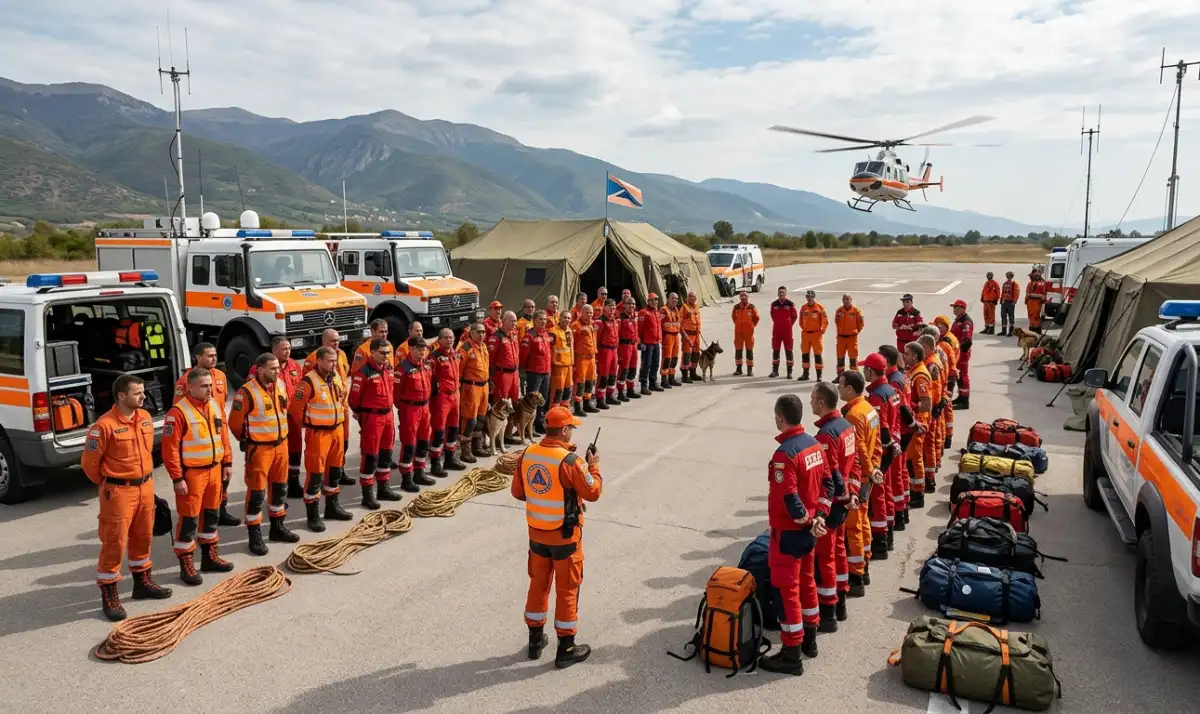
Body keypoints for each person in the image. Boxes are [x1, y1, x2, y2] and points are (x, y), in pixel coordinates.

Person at [511, 405, 602, 669]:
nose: (572, 432)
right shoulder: (572, 462)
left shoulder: (528, 453)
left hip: (537, 537)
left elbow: (518, 492)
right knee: (567, 590)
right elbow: (593, 492)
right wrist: (593, 467)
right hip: (565, 539)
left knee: (538, 586)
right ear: (563, 430)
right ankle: (567, 648)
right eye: (571, 428)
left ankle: (535, 642)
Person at [83, 374, 172, 620]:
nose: (144, 396)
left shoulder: (143, 418)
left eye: (143, 392)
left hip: (145, 487)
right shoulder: (104, 426)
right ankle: (109, 594)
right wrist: (111, 484)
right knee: (115, 542)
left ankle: (142, 583)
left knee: (143, 537)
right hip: (119, 491)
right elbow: (90, 465)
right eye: (138, 393)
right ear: (122, 396)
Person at [758, 394, 829, 675]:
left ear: (780, 417)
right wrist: (819, 518)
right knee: (808, 582)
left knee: (786, 591)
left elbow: (788, 498)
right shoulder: (814, 444)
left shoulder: (784, 455)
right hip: (810, 532)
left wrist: (808, 521)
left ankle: (791, 653)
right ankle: (810, 641)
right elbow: (828, 483)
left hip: (789, 532)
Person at [163, 367, 235, 585]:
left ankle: (209, 558)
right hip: (192, 475)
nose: (209, 390)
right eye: (204, 386)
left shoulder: (213, 405)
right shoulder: (178, 413)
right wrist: (177, 478)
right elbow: (170, 450)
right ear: (190, 387)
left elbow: (222, 436)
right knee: (189, 521)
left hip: (214, 470)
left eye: (211, 385)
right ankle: (186, 565)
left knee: (212, 515)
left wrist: (227, 462)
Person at [228, 353, 298, 554]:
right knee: (257, 494)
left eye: (278, 368)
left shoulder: (281, 385)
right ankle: (255, 535)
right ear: (260, 370)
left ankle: (277, 528)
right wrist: (248, 440)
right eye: (273, 368)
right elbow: (235, 424)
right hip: (259, 450)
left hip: (281, 446)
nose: (278, 371)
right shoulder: (246, 393)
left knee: (279, 490)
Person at [289, 346, 353, 531]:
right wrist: (307, 424)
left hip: (337, 431)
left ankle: (332, 507)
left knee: (335, 472)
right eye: (330, 361)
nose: (334, 364)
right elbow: (295, 409)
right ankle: (313, 515)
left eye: (335, 361)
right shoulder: (308, 381)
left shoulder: (336, 378)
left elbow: (342, 399)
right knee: (315, 475)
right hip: (318, 434)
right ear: (319, 361)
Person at [174, 342, 238, 526]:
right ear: (198, 357)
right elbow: (180, 412)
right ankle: (204, 513)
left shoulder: (220, 376)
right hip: (198, 435)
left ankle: (221, 510)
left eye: (215, 355)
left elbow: (221, 403)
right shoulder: (186, 380)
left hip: (219, 432)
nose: (214, 359)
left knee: (224, 476)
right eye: (209, 356)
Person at [810, 383, 851, 625]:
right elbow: (852, 466)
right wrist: (851, 494)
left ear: (822, 403)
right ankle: (841, 601)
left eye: (813, 399)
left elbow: (830, 474)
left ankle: (828, 613)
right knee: (839, 551)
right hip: (843, 501)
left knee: (825, 557)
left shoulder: (826, 435)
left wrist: (822, 510)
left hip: (833, 502)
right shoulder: (846, 426)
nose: (811, 403)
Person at [838, 370, 886, 569]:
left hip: (862, 475)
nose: (838, 389)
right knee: (863, 518)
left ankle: (857, 572)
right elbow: (876, 443)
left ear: (850, 389)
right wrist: (875, 467)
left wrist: (868, 469)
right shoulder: (868, 408)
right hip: (870, 471)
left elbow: (860, 448)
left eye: (840, 385)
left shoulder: (854, 415)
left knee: (853, 525)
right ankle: (866, 556)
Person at [349, 339, 402, 507]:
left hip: (388, 417)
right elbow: (353, 399)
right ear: (372, 352)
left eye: (388, 353)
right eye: (382, 353)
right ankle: (367, 494)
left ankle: (383, 488)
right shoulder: (363, 372)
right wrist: (362, 415)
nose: (386, 356)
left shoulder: (389, 369)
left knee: (386, 454)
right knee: (370, 456)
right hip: (372, 418)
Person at [250, 337, 305, 499]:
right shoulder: (259, 369)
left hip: (292, 416)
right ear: (274, 350)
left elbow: (301, 388)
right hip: (273, 419)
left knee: (295, 450)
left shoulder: (294, 365)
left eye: (289, 348)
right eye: (283, 349)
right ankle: (276, 492)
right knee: (275, 457)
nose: (288, 351)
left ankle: (293, 484)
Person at [861, 353, 903, 550]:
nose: (863, 372)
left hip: (883, 450)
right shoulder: (891, 389)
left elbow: (882, 427)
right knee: (886, 491)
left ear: (871, 371)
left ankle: (880, 540)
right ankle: (889, 532)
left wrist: (888, 446)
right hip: (892, 445)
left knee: (878, 494)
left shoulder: (878, 395)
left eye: (865, 369)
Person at [304, 328, 354, 487]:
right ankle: (325, 478)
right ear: (324, 342)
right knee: (321, 454)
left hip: (341, 407)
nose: (337, 343)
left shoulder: (343, 355)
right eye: (333, 341)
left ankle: (340, 471)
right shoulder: (313, 359)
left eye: (338, 340)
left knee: (343, 443)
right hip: (322, 415)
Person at [879, 344, 916, 526]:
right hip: (901, 432)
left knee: (894, 477)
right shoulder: (901, 377)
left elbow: (900, 409)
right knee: (901, 473)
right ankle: (903, 510)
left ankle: (899, 514)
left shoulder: (893, 382)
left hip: (897, 433)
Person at [395, 337, 436, 491]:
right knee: (409, 443)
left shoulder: (425, 365)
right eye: (418, 349)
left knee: (424, 441)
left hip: (424, 407)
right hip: (410, 409)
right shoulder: (402, 368)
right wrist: (404, 408)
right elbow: (396, 394)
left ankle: (419, 471)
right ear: (410, 349)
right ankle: (407, 477)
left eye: (423, 349)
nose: (422, 352)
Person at [429, 328, 468, 473]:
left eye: (451, 337)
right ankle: (435, 463)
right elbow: (430, 378)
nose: (449, 340)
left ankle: (450, 459)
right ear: (439, 340)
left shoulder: (456, 355)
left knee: (453, 428)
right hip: (441, 397)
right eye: (445, 338)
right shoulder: (434, 357)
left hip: (455, 395)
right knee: (439, 431)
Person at [902, 341, 933, 509]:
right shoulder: (913, 371)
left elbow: (926, 403)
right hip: (914, 421)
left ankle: (918, 492)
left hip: (918, 421)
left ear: (914, 356)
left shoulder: (920, 375)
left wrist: (910, 406)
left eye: (906, 354)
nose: (904, 356)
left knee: (915, 458)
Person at [458, 322, 491, 461]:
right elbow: (459, 370)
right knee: (469, 419)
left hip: (484, 387)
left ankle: (477, 447)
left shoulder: (483, 346)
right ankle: (465, 450)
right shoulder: (465, 349)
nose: (482, 334)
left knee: (481, 418)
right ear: (471, 333)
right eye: (479, 332)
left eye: (483, 332)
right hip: (471, 388)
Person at [918, 333, 945, 493]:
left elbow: (932, 391)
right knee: (931, 444)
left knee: (928, 445)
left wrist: (931, 410)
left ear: (927, 348)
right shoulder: (933, 359)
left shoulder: (931, 364)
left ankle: (929, 479)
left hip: (930, 410)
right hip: (934, 408)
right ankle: (931, 472)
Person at [520, 311, 555, 427]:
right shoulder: (529, 335)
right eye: (541, 319)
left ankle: (539, 422)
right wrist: (525, 370)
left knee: (543, 399)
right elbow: (524, 355)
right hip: (534, 372)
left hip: (545, 371)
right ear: (534, 320)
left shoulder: (545, 334)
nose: (543, 321)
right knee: (531, 400)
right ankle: (528, 425)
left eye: (545, 319)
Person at [488, 311, 521, 421]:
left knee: (515, 402)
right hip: (502, 374)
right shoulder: (496, 337)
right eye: (511, 321)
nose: (514, 323)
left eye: (515, 321)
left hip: (515, 374)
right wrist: (491, 378)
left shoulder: (515, 335)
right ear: (503, 321)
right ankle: (498, 435)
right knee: (501, 402)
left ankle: (508, 433)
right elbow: (490, 359)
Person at [571, 304, 599, 415]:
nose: (589, 315)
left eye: (591, 313)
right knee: (580, 383)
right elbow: (572, 344)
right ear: (581, 313)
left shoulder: (592, 324)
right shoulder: (575, 325)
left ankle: (587, 404)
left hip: (591, 358)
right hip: (581, 358)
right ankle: (578, 407)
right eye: (587, 312)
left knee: (590, 381)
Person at [594, 301, 622, 407]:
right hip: (604, 351)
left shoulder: (614, 320)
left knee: (612, 374)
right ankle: (600, 398)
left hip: (614, 350)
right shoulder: (600, 321)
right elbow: (596, 339)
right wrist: (597, 355)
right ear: (604, 308)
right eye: (610, 306)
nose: (612, 308)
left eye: (614, 306)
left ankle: (610, 395)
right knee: (603, 375)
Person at [798, 290, 828, 382]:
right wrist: (805, 329)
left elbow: (825, 320)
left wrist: (822, 329)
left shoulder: (820, 308)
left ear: (814, 297)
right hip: (806, 334)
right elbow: (800, 321)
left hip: (816, 334)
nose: (809, 298)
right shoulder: (803, 308)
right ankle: (805, 374)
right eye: (808, 296)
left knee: (817, 355)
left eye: (811, 296)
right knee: (805, 354)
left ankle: (819, 375)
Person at [768, 285, 798, 379]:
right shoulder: (774, 304)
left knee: (788, 350)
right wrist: (778, 322)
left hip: (787, 331)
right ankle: (775, 371)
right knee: (776, 350)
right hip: (776, 330)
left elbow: (795, 316)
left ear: (785, 293)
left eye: (783, 292)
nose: (781, 294)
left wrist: (788, 324)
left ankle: (789, 372)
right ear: (778, 293)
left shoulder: (790, 304)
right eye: (780, 292)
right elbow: (772, 315)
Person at [550, 311, 576, 409]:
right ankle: (554, 413)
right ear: (559, 319)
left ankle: (564, 412)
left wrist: (572, 363)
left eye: (569, 318)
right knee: (557, 391)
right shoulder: (553, 332)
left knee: (567, 390)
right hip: (558, 366)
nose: (567, 320)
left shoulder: (569, 331)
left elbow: (571, 348)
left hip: (568, 365)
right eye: (565, 317)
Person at [638, 293, 664, 393]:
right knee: (646, 364)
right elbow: (639, 329)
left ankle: (653, 383)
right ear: (648, 301)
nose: (654, 302)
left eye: (656, 300)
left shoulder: (657, 312)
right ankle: (644, 385)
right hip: (647, 343)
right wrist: (640, 342)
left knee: (655, 364)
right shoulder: (643, 313)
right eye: (652, 300)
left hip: (656, 342)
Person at [834, 294, 865, 376]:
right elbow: (837, 322)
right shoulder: (839, 311)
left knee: (853, 358)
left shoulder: (856, 311)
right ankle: (840, 376)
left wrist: (854, 331)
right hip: (841, 338)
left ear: (851, 300)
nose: (846, 301)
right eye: (844, 299)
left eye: (847, 299)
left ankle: (854, 376)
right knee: (840, 357)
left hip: (852, 338)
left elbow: (861, 324)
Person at [731, 289, 759, 376]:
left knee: (749, 351)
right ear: (739, 297)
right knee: (738, 351)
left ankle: (749, 370)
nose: (743, 297)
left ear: (748, 297)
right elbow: (733, 317)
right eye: (741, 296)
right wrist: (738, 324)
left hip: (749, 333)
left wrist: (751, 326)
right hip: (738, 333)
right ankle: (738, 369)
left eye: (745, 296)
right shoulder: (736, 307)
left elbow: (756, 318)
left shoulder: (752, 307)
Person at [617, 296, 641, 399]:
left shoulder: (635, 316)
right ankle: (621, 392)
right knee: (624, 369)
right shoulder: (620, 318)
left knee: (633, 368)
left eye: (633, 304)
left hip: (634, 345)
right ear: (624, 305)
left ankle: (630, 389)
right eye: (629, 303)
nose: (632, 306)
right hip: (624, 346)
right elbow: (616, 334)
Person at [659, 293, 683, 388]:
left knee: (674, 358)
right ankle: (664, 380)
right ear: (668, 299)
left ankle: (671, 378)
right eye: (672, 298)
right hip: (667, 336)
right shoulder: (663, 310)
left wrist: (684, 335)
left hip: (676, 336)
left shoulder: (676, 309)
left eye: (676, 299)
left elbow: (678, 324)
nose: (674, 300)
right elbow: (659, 325)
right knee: (666, 359)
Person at [679, 291, 702, 383]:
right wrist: (683, 334)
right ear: (687, 297)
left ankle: (693, 373)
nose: (692, 298)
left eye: (694, 297)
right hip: (687, 334)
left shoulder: (696, 307)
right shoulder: (684, 307)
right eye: (690, 297)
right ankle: (685, 375)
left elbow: (698, 319)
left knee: (696, 354)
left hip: (696, 334)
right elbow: (679, 323)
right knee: (687, 355)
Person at [1025, 269, 1047, 333]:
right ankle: (1034, 330)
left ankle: (1035, 331)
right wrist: (1039, 296)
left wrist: (1033, 295)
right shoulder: (1031, 283)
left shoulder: (1041, 283)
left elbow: (1043, 295)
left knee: (1035, 316)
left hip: (1036, 302)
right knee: (1032, 316)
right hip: (1031, 302)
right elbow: (1028, 294)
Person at [999, 272, 1020, 337]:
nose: (1007, 276)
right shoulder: (1005, 283)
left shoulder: (1014, 283)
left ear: (1011, 276)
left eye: (1008, 275)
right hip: (1004, 302)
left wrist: (1015, 301)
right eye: (1007, 275)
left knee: (1011, 317)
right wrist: (1001, 299)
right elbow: (1003, 292)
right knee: (1003, 316)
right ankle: (1003, 331)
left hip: (1011, 302)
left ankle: (1011, 331)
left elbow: (1017, 292)